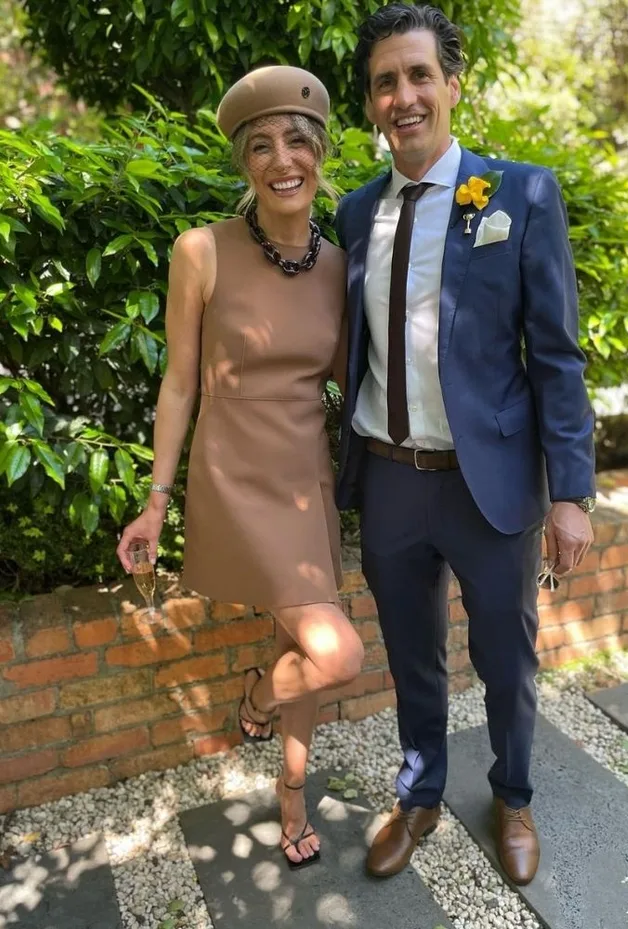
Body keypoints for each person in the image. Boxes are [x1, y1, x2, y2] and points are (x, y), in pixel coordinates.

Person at [334, 4, 596, 884]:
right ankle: (419, 794)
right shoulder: (355, 213)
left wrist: (571, 491)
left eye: (418, 75)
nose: (403, 96)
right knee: (412, 654)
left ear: (451, 85)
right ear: (370, 104)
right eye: (385, 82)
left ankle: (513, 794)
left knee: (505, 657)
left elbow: (555, 354)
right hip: (390, 478)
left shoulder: (520, 194)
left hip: (491, 482)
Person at [117, 65, 363, 871]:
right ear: (244, 164)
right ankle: (259, 694)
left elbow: (352, 382)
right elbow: (179, 382)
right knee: (337, 653)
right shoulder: (200, 251)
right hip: (234, 478)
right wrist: (155, 500)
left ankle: (289, 785)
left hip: (305, 481)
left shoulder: (340, 265)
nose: (281, 159)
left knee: (307, 645)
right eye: (261, 146)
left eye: (297, 140)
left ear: (320, 152)